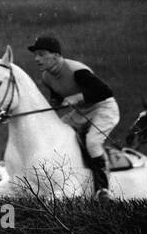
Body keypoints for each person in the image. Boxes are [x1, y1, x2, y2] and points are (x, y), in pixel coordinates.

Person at [28, 34, 120, 199]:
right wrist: (52, 105)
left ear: (56, 56)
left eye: (41, 54)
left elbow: (105, 92)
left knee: (92, 142)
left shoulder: (77, 71)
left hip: (103, 108)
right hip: (81, 111)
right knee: (56, 130)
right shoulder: (46, 76)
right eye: (35, 55)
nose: (36, 59)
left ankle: (103, 189)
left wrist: (78, 98)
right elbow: (56, 97)